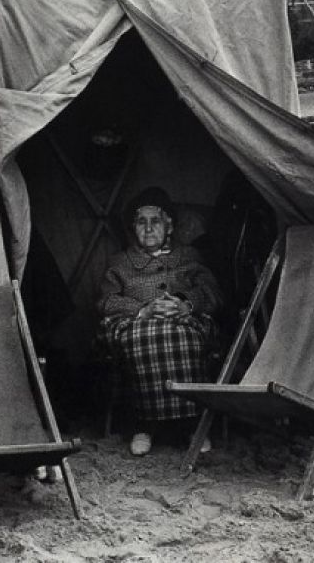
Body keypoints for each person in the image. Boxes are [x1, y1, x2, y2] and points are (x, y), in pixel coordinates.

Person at [96, 187, 223, 456]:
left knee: (184, 337)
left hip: (184, 321)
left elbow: (212, 292)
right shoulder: (119, 263)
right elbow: (106, 301)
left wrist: (186, 304)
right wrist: (142, 309)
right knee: (142, 338)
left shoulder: (189, 257)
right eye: (142, 221)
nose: (149, 228)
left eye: (156, 221)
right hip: (136, 323)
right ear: (133, 228)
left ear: (170, 227)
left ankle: (191, 426)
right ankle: (144, 426)